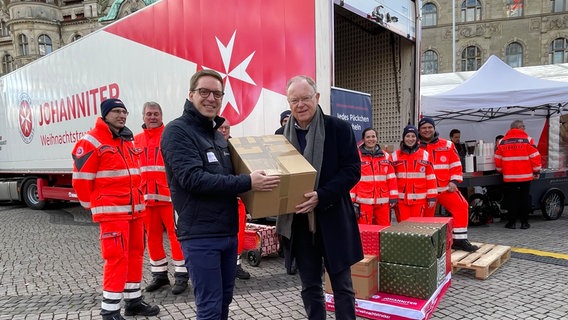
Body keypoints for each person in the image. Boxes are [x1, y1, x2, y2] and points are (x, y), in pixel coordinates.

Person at [160, 69, 279, 320]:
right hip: (200, 235)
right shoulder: (177, 131)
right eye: (204, 92)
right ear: (191, 94)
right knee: (210, 306)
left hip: (227, 232)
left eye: (217, 93)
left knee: (224, 300)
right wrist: (248, 181)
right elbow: (193, 179)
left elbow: (230, 178)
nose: (211, 98)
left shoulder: (217, 135)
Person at [276, 75, 363, 320]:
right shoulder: (279, 136)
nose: (300, 104)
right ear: (288, 102)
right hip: (300, 224)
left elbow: (352, 170)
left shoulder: (338, 128)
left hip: (333, 218)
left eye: (305, 98)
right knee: (310, 286)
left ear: (317, 97)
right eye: (294, 100)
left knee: (342, 285)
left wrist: (321, 196)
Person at [71, 98, 160, 320]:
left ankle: (133, 302)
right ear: (105, 114)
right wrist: (94, 205)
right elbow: (81, 181)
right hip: (112, 213)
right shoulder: (91, 141)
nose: (122, 115)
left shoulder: (126, 140)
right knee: (116, 258)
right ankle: (109, 311)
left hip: (135, 212)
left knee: (136, 255)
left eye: (124, 112)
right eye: (116, 112)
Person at [133, 101, 189, 295]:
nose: (153, 117)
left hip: (169, 197)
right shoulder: (136, 140)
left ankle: (182, 275)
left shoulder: (169, 136)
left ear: (161, 115)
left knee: (176, 237)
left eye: (156, 113)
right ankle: (160, 276)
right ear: (143, 117)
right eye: (149, 114)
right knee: (153, 238)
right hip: (146, 198)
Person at [418, 117, 479, 252]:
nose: (427, 130)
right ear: (419, 130)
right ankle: (425, 243)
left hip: (445, 188)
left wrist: (454, 181)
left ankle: (459, 239)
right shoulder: (414, 146)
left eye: (429, 127)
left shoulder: (447, 145)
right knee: (425, 217)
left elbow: (456, 165)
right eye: (423, 128)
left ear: (434, 128)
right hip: (425, 191)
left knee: (461, 206)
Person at [217, 119, 251, 280]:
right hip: (219, 199)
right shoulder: (211, 145)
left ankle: (236, 265)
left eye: (226, 128)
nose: (224, 130)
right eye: (221, 127)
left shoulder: (236, 147)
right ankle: (223, 266)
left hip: (237, 198)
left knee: (239, 234)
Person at [495, 120, 542, 229]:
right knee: (524, 198)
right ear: (519, 127)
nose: (525, 129)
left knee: (511, 199)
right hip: (525, 176)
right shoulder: (528, 140)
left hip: (509, 176)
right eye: (524, 127)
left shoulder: (502, 141)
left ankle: (511, 223)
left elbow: (498, 159)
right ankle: (524, 223)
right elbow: (535, 156)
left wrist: (501, 170)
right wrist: (536, 171)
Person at [350, 127, 398, 225]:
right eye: (368, 137)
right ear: (363, 140)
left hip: (383, 202)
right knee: (365, 231)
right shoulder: (356, 156)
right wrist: (352, 200)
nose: (371, 139)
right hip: (364, 202)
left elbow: (391, 178)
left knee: (384, 230)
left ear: (376, 138)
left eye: (373, 136)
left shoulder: (386, 156)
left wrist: (393, 196)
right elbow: (353, 179)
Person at [391, 125, 437, 222]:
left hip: (419, 201)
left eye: (413, 136)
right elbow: (391, 179)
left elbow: (431, 177)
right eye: (408, 136)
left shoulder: (425, 155)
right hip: (401, 201)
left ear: (417, 138)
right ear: (403, 138)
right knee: (403, 229)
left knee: (416, 229)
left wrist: (432, 197)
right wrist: (393, 197)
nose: (410, 139)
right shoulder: (394, 156)